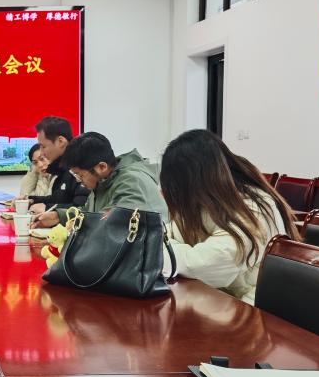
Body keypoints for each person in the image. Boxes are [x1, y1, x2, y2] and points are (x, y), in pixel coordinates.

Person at [160, 129, 299, 304]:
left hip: (256, 308)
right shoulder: (205, 203)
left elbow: (207, 266)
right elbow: (165, 237)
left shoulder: (254, 207)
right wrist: (173, 252)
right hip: (219, 300)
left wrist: (168, 254)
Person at [31, 132, 166, 227]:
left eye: (80, 175)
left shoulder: (131, 181)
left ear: (102, 167)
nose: (78, 180)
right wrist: (57, 216)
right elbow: (88, 213)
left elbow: (112, 221)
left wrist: (74, 223)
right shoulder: (103, 180)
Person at [27, 116, 89, 210]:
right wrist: (31, 200)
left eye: (43, 146)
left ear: (61, 141)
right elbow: (58, 199)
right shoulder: (60, 167)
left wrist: (47, 208)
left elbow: (83, 207)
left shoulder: (80, 166)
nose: (42, 153)